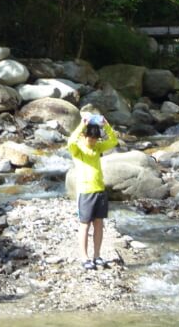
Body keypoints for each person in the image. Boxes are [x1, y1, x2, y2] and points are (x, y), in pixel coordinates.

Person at [67, 113, 118, 271]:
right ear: (85, 136)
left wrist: (106, 125)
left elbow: (114, 141)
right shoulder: (78, 149)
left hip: (100, 190)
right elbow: (70, 142)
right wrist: (82, 125)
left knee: (99, 224)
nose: (93, 142)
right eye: (91, 139)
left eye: (96, 139)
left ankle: (97, 255)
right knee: (84, 225)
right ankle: (84, 257)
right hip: (85, 192)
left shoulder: (97, 147)